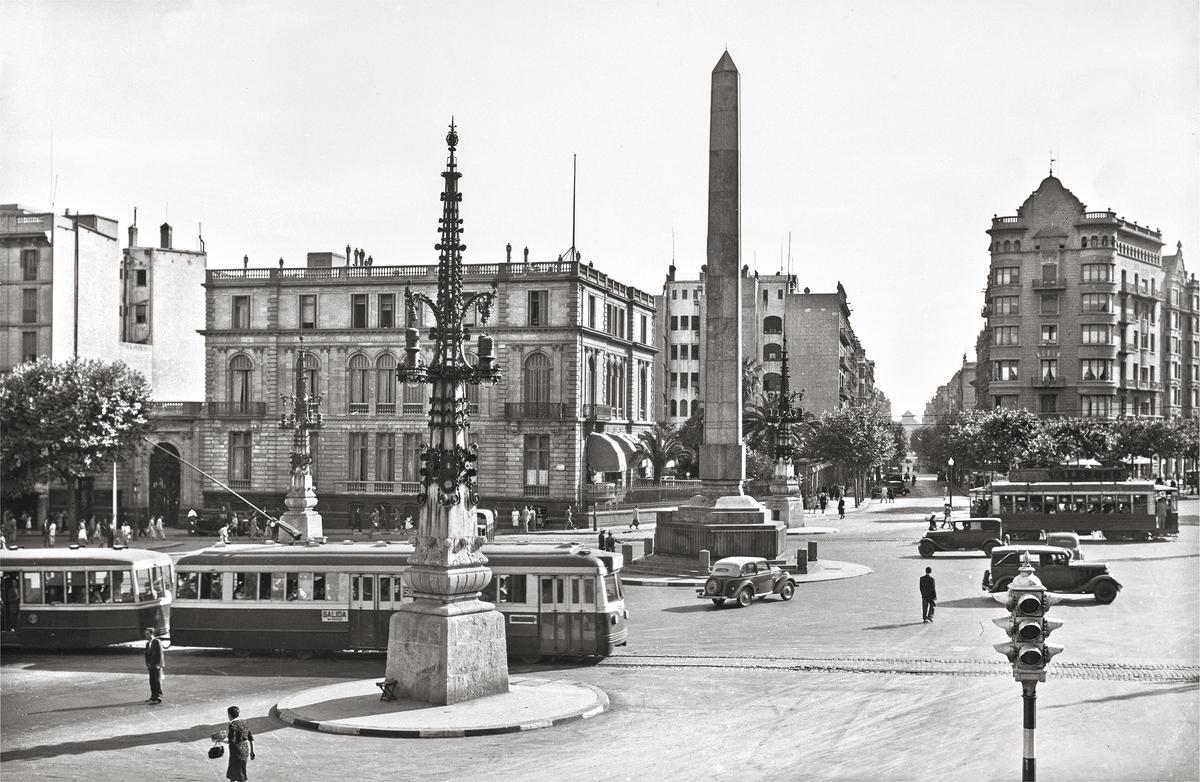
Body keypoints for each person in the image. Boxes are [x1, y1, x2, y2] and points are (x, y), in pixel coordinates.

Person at [223, 705, 255, 781]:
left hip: (236, 751)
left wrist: (221, 740)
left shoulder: (232, 725)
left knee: (234, 773)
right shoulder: (245, 722)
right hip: (245, 749)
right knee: (241, 771)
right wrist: (252, 751)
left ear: (229, 715)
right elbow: (251, 738)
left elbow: (231, 741)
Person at [144, 628, 165, 703]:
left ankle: (159, 697)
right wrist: (147, 664)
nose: (146, 635)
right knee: (152, 681)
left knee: (157, 681)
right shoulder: (147, 643)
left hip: (156, 665)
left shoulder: (157, 641)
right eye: (145, 634)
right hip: (151, 665)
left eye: (147, 634)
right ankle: (153, 696)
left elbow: (160, 654)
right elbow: (147, 655)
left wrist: (159, 664)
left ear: (152, 634)